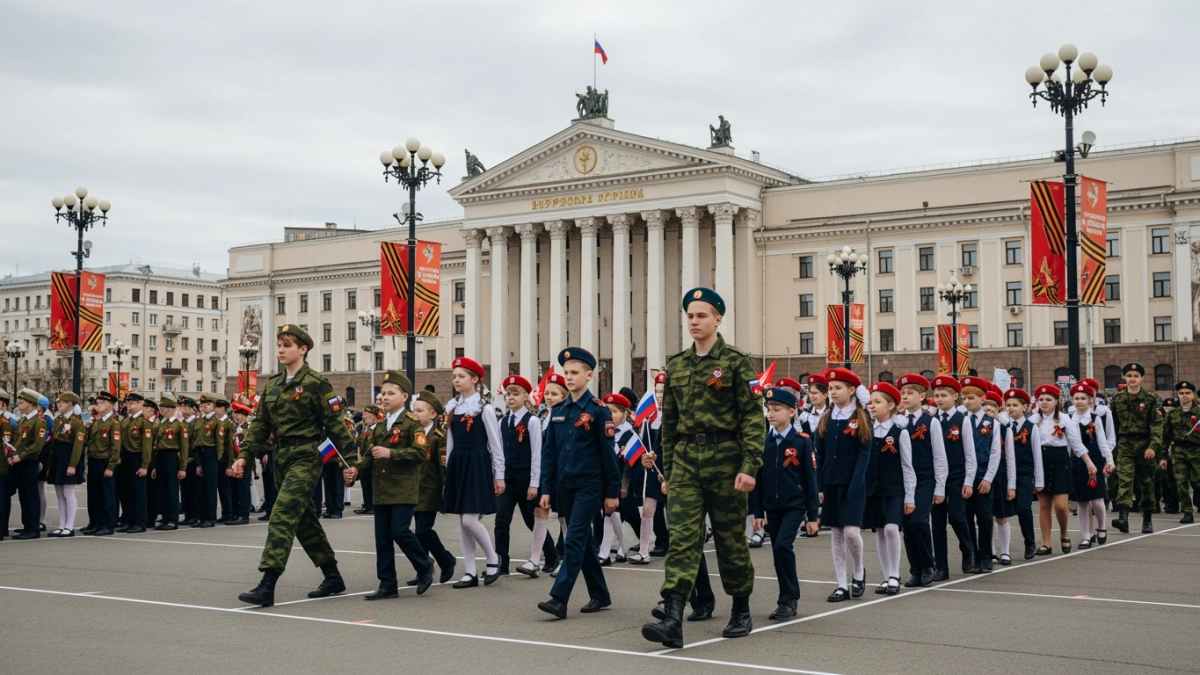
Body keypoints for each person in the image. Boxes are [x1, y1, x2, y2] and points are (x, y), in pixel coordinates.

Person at [642, 287, 765, 648]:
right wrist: (668, 472)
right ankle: (672, 617)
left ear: (717, 319)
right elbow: (669, 424)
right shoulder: (678, 365)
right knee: (682, 538)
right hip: (686, 462)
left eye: (701, 315)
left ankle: (740, 608)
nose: (694, 322)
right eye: (690, 316)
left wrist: (750, 466)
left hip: (726, 460)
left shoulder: (737, 361)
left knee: (730, 541)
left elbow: (753, 418)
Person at [230, 324, 360, 607]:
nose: (281, 350)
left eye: (287, 345)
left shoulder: (316, 383)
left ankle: (267, 584)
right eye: (279, 344)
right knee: (304, 520)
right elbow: (260, 425)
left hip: (306, 456)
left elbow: (336, 426)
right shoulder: (274, 384)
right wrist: (244, 455)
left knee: (282, 514)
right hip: (281, 457)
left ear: (302, 349)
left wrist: (352, 463)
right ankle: (333, 576)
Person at [536, 347, 620, 619]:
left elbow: (609, 455)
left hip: (589, 485)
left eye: (574, 372)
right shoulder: (559, 411)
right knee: (582, 541)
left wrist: (611, 492)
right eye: (566, 372)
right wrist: (546, 488)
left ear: (589, 375)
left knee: (573, 538)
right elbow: (550, 454)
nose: (569, 377)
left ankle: (559, 598)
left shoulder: (598, 411)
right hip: (565, 485)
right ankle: (600, 594)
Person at [344, 370, 434, 600]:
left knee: (400, 532)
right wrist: (356, 470)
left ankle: (424, 565)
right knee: (382, 538)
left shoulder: (412, 423)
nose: (384, 397)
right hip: (382, 489)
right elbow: (370, 455)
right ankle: (387, 584)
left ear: (404, 397)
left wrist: (391, 453)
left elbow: (421, 452)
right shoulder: (380, 426)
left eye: (390, 393)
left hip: (403, 488)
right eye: (382, 393)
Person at [751, 387, 819, 619]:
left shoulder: (801, 443)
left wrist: (813, 516)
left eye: (776, 409)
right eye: (768, 409)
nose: (770, 413)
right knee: (777, 552)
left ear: (791, 412)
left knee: (782, 546)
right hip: (772, 507)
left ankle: (790, 598)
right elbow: (758, 481)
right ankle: (784, 600)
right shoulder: (765, 443)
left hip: (794, 506)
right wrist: (757, 512)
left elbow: (810, 480)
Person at [442, 356, 506, 588]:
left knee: (470, 519)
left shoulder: (484, 408)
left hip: (477, 462)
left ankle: (492, 558)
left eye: (461, 376)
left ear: (474, 379)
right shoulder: (452, 407)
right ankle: (470, 571)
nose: (456, 380)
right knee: (463, 520)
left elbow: (495, 444)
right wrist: (448, 473)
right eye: (454, 376)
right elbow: (450, 442)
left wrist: (499, 475)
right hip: (459, 463)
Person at [495, 375, 557, 577]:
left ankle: (551, 555)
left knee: (532, 519)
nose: (510, 397)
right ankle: (501, 562)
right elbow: (499, 452)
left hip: (526, 479)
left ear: (525, 397)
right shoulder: (503, 422)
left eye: (515, 394)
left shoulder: (532, 421)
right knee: (501, 521)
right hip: (508, 480)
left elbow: (536, 454)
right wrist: (499, 476)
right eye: (508, 394)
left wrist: (534, 483)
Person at [863, 381, 915, 594]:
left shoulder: (900, 432)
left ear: (891, 405)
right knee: (880, 531)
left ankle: (894, 574)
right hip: (873, 489)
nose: (872, 406)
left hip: (894, 489)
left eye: (877, 402)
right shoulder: (868, 431)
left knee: (892, 528)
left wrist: (910, 496)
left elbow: (907, 465)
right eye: (870, 402)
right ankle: (886, 577)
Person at [1030, 384, 1095, 554]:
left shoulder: (1064, 419)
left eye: (1048, 399)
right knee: (1044, 505)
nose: (1044, 402)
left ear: (1056, 401)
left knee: (1060, 505)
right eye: (1041, 399)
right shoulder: (1033, 420)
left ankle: (1064, 532)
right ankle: (1046, 543)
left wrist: (1089, 462)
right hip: (1040, 461)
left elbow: (1076, 443)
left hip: (1060, 461)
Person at [896, 374, 946, 587]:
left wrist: (940, 487)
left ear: (922, 396)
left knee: (919, 520)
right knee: (907, 526)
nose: (905, 397)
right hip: (903, 479)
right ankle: (915, 570)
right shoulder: (897, 421)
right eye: (903, 393)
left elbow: (939, 456)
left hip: (925, 478)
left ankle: (928, 565)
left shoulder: (931, 422)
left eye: (910, 393)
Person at [929, 375, 976, 580]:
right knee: (937, 524)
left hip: (957, 476)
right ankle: (941, 567)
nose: (939, 399)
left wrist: (968, 481)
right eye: (937, 395)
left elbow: (970, 453)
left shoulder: (962, 419)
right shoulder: (932, 420)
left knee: (957, 517)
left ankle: (968, 550)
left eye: (944, 395)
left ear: (955, 396)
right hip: (936, 477)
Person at [1110, 363, 1164, 534]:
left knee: (1147, 483)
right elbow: (1113, 426)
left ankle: (1147, 519)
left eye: (1135, 376)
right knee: (1124, 480)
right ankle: (1123, 518)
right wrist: (1112, 449)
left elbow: (1157, 425)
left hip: (1145, 444)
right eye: (1129, 376)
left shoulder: (1151, 399)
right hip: (1125, 444)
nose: (1132, 379)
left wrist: (1153, 446)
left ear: (1141, 378)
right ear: (1124, 378)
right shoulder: (1117, 400)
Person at [410, 390, 457, 584]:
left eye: (419, 411)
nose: (415, 414)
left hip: (430, 490)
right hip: (414, 489)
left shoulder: (438, 437)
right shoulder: (414, 435)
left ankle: (446, 559)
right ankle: (423, 570)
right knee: (419, 532)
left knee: (423, 530)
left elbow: (442, 466)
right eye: (414, 410)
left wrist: (445, 487)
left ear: (432, 414)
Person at [958, 377, 1001, 573]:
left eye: (971, 398)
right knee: (966, 518)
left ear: (983, 399)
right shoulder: (961, 420)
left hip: (983, 477)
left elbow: (995, 453)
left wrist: (988, 478)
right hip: (965, 477)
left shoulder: (992, 423)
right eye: (964, 398)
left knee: (984, 518)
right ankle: (972, 555)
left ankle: (985, 556)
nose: (967, 402)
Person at [1069, 383, 1114, 548]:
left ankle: (1101, 526)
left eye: (1083, 398)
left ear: (1091, 401)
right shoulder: (1069, 419)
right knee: (1081, 501)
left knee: (1097, 498)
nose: (1079, 401)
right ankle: (1086, 535)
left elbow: (1102, 440)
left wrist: (1109, 460)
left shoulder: (1095, 419)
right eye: (1076, 398)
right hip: (1077, 461)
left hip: (1094, 459)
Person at [598, 392, 633, 565]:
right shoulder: (605, 431)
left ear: (624, 413)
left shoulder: (629, 434)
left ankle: (610, 551)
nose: (610, 416)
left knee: (615, 514)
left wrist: (624, 486)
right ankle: (617, 548)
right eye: (608, 411)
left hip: (622, 483)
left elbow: (629, 465)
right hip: (605, 479)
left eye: (614, 412)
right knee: (609, 515)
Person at [9, 389, 49, 539]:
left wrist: (20, 456)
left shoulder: (39, 422)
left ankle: (33, 528)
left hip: (29, 463)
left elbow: (37, 446)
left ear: (32, 404)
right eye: (19, 401)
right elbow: (17, 442)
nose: (19, 403)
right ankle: (26, 525)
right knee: (23, 496)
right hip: (19, 462)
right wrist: (12, 454)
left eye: (22, 401)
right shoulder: (23, 421)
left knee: (31, 496)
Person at [82, 391, 121, 537]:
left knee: (107, 495)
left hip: (105, 462)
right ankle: (95, 522)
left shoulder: (113, 423)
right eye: (96, 403)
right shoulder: (97, 422)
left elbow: (115, 448)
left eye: (101, 403)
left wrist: (111, 467)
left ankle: (108, 524)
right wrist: (87, 463)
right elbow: (90, 444)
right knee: (94, 495)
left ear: (109, 405)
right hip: (94, 461)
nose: (97, 406)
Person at [46, 392, 86, 537]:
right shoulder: (58, 420)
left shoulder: (76, 422)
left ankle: (69, 526)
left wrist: (73, 464)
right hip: (58, 458)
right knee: (59, 493)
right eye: (58, 402)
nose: (58, 404)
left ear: (70, 404)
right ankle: (62, 525)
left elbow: (78, 445)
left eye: (61, 402)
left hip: (68, 458)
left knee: (68, 492)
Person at [114, 392, 153, 533]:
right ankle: (129, 520)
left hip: (137, 458)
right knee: (126, 492)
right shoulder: (126, 421)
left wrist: (144, 465)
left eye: (132, 403)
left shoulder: (144, 422)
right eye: (128, 403)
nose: (129, 406)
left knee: (139, 493)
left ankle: (140, 522)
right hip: (125, 459)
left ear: (141, 404)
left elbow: (147, 446)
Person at [152, 395, 190, 530]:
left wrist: (183, 467)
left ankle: (173, 520)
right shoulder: (162, 423)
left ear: (170, 409)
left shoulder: (179, 425)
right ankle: (165, 517)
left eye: (163, 407)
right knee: (162, 490)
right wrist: (154, 466)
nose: (161, 410)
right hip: (161, 457)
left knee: (172, 490)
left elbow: (184, 448)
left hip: (172, 457)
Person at [189, 394, 225, 528]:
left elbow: (220, 443)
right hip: (199, 453)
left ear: (214, 407)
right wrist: (197, 462)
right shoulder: (199, 421)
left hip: (211, 454)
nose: (205, 407)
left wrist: (218, 459)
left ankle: (210, 517)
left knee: (210, 488)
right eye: (203, 405)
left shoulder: (217, 422)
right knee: (200, 488)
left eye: (208, 405)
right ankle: (201, 516)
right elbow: (195, 439)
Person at [226, 400, 253, 525]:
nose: (237, 417)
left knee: (243, 488)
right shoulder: (232, 428)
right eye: (235, 414)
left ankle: (243, 514)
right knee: (234, 488)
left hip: (244, 462)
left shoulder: (248, 429)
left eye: (240, 414)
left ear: (245, 416)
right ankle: (235, 513)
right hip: (232, 461)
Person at [352, 404, 380, 515]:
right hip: (364, 461)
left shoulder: (378, 429)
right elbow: (359, 443)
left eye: (366, 414)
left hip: (374, 462)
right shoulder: (365, 429)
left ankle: (373, 505)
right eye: (363, 414)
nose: (363, 417)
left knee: (372, 484)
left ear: (374, 416)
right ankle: (367, 504)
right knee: (365, 484)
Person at [0, 389, 13, 540]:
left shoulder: (4, 423)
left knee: (2, 498)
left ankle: (2, 528)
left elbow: (7, 445)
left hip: (1, 465)